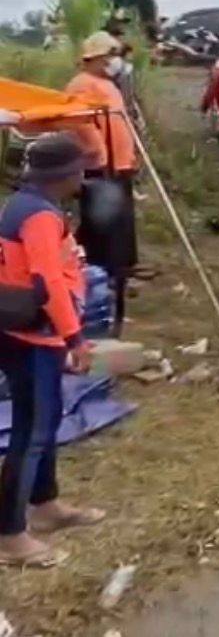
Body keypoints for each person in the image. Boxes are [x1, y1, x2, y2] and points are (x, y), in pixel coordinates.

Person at [0, 134, 105, 568]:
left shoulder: (21, 204)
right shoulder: (39, 216)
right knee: (32, 431)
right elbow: (48, 282)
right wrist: (74, 338)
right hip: (34, 336)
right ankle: (9, 534)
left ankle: (46, 505)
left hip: (24, 329)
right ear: (64, 175)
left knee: (45, 420)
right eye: (79, 168)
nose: (83, 175)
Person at [65, 32, 138, 335]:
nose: (113, 60)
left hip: (119, 170)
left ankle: (111, 300)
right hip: (102, 173)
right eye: (108, 55)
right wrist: (99, 157)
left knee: (119, 241)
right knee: (103, 240)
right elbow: (82, 126)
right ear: (92, 58)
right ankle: (96, 303)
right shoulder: (81, 85)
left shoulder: (109, 85)